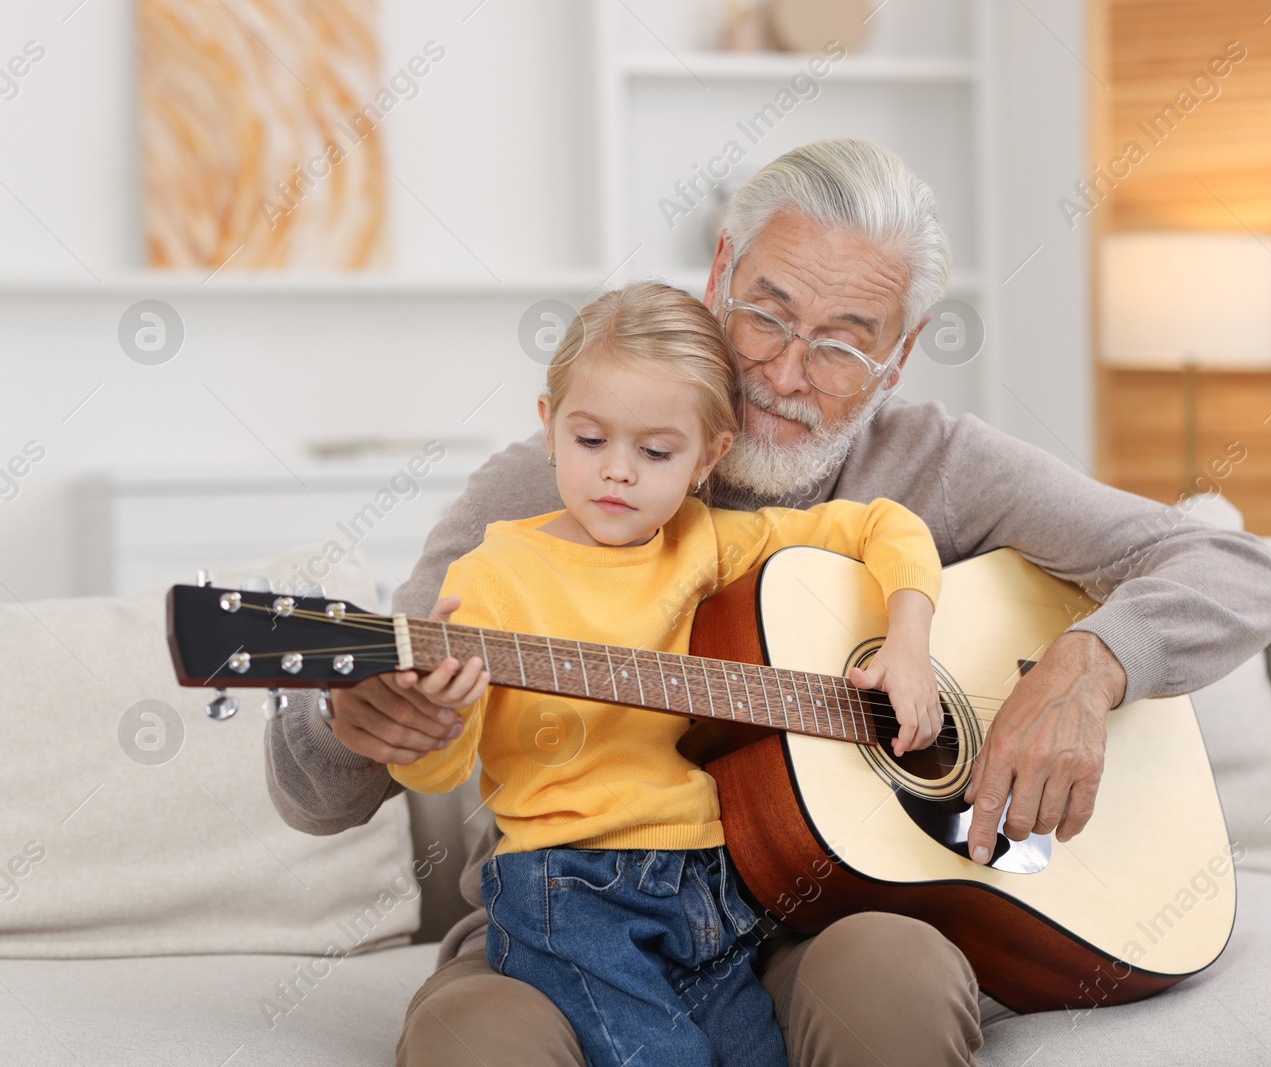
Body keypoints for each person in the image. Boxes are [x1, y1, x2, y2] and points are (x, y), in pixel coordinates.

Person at [265, 138, 1271, 1067]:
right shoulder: (561, 480)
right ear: (719, 274)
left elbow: (1235, 568)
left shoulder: (942, 464)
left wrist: (1086, 667)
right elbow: (323, 787)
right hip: (566, 923)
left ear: (901, 350)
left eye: (846, 340)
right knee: (470, 1039)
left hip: (824, 922)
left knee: (895, 974)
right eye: (766, 311)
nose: (785, 369)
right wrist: (349, 720)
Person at [384, 281, 943, 1067]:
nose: (617, 473)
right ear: (548, 426)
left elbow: (884, 524)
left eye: (654, 452)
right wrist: (431, 717)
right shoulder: (495, 575)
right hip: (562, 887)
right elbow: (438, 765)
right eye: (589, 441)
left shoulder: (703, 542)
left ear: (709, 456)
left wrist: (909, 637)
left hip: (711, 882)